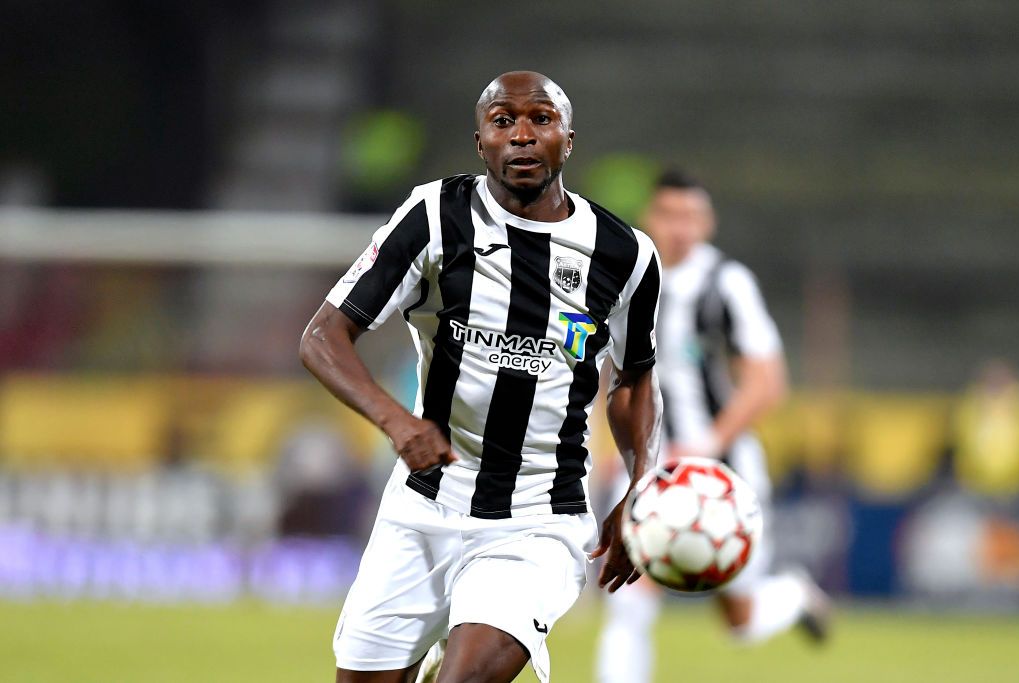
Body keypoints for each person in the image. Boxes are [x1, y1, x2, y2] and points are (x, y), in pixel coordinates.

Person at [300, 71, 663, 683]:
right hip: (422, 508)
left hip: (537, 519)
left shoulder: (624, 254)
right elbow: (322, 337)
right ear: (480, 142)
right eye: (503, 121)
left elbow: (634, 380)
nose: (522, 134)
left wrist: (641, 483)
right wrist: (397, 422)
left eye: (540, 119)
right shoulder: (435, 216)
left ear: (568, 139)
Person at [595, 170, 830, 683]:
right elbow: (608, 370)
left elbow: (768, 382)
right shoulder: (622, 276)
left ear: (708, 223)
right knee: (628, 597)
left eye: (691, 217)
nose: (680, 228)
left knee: (739, 621)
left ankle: (793, 596)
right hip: (648, 462)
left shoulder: (727, 283)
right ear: (649, 218)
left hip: (722, 468)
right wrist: (608, 448)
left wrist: (708, 442)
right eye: (669, 215)